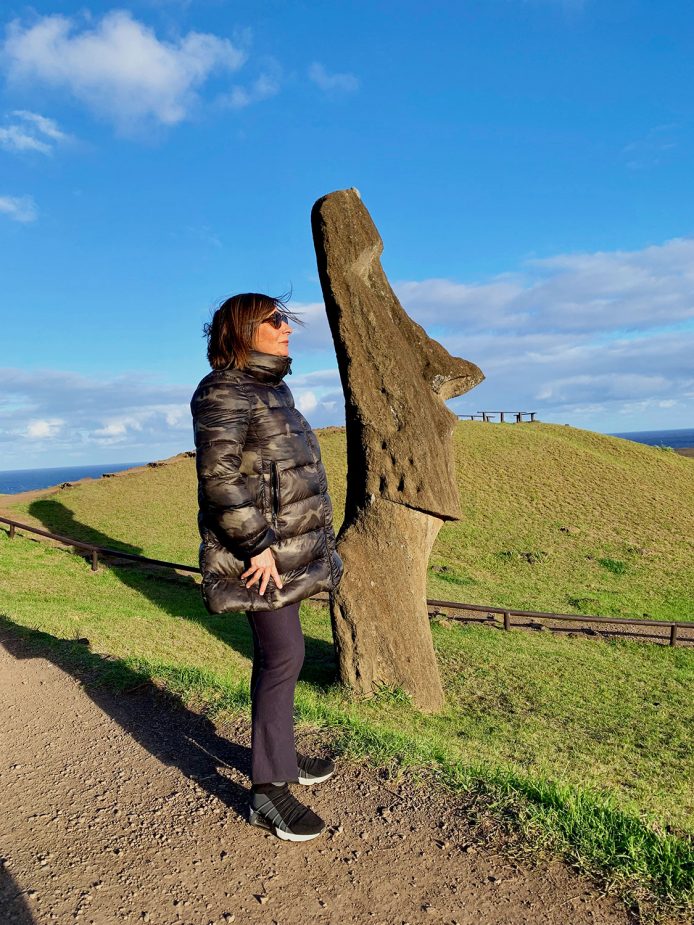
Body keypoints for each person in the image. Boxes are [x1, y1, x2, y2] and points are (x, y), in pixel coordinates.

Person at [190, 292, 344, 842]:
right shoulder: (222, 391)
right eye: (274, 321)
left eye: (286, 321)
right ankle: (268, 793)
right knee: (283, 655)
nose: (287, 329)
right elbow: (220, 479)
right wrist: (256, 544)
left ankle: (277, 753)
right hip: (262, 556)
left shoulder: (270, 387)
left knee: (284, 654)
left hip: (287, 549)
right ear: (240, 330)